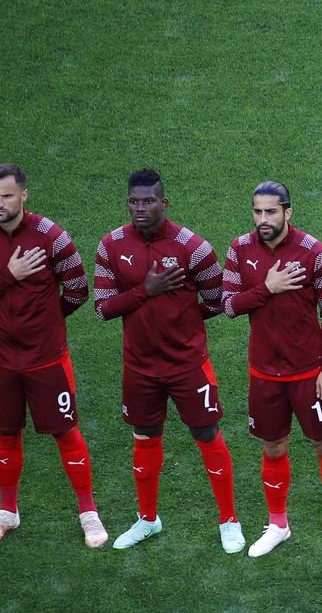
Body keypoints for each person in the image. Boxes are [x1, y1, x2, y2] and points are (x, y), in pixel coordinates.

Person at [94, 168, 244, 553]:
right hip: (139, 366)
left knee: (207, 435)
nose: (140, 209)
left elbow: (218, 300)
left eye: (148, 201)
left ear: (165, 203)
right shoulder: (110, 245)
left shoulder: (193, 247)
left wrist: (181, 317)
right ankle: (147, 520)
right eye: (134, 201)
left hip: (188, 364)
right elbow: (103, 308)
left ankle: (229, 520)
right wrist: (145, 292)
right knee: (144, 437)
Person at [0, 163, 106, 548]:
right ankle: (8, 512)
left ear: (24, 194)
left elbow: (77, 290)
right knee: (5, 434)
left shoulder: (51, 236)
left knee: (65, 432)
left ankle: (88, 513)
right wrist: (10, 275)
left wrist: (45, 323)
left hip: (46, 359)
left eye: (7, 195)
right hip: (0, 361)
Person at [223, 181, 322, 558]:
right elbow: (229, 305)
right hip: (263, 373)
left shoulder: (315, 252)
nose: (263, 219)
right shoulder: (239, 249)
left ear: (288, 212)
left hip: (308, 372)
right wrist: (267, 287)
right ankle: (278, 524)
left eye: (270, 211)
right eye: (257, 212)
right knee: (273, 446)